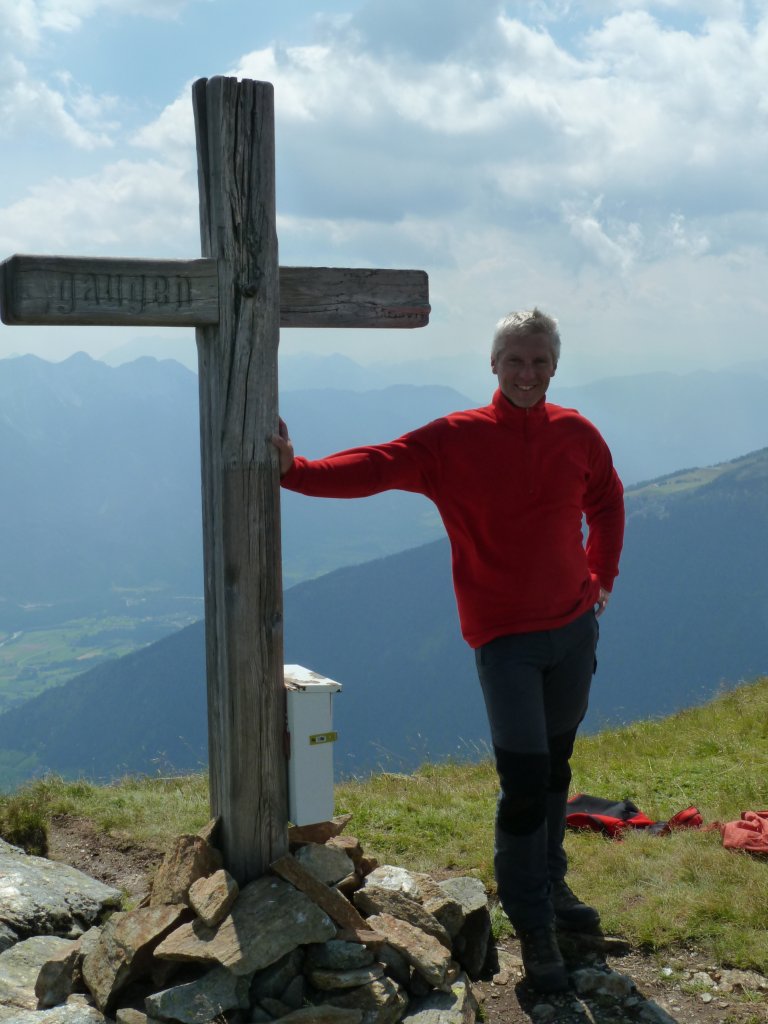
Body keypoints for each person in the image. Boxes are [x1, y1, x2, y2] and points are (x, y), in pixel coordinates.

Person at [272, 308, 624, 993]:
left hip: (574, 632)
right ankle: (534, 926)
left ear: (555, 366)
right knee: (524, 782)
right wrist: (297, 471)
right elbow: (378, 465)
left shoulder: (577, 433)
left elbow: (607, 501)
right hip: (505, 642)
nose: (527, 373)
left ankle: (550, 883)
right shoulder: (457, 439)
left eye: (539, 361)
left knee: (555, 768)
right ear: (494, 365)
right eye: (515, 360)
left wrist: (601, 576)